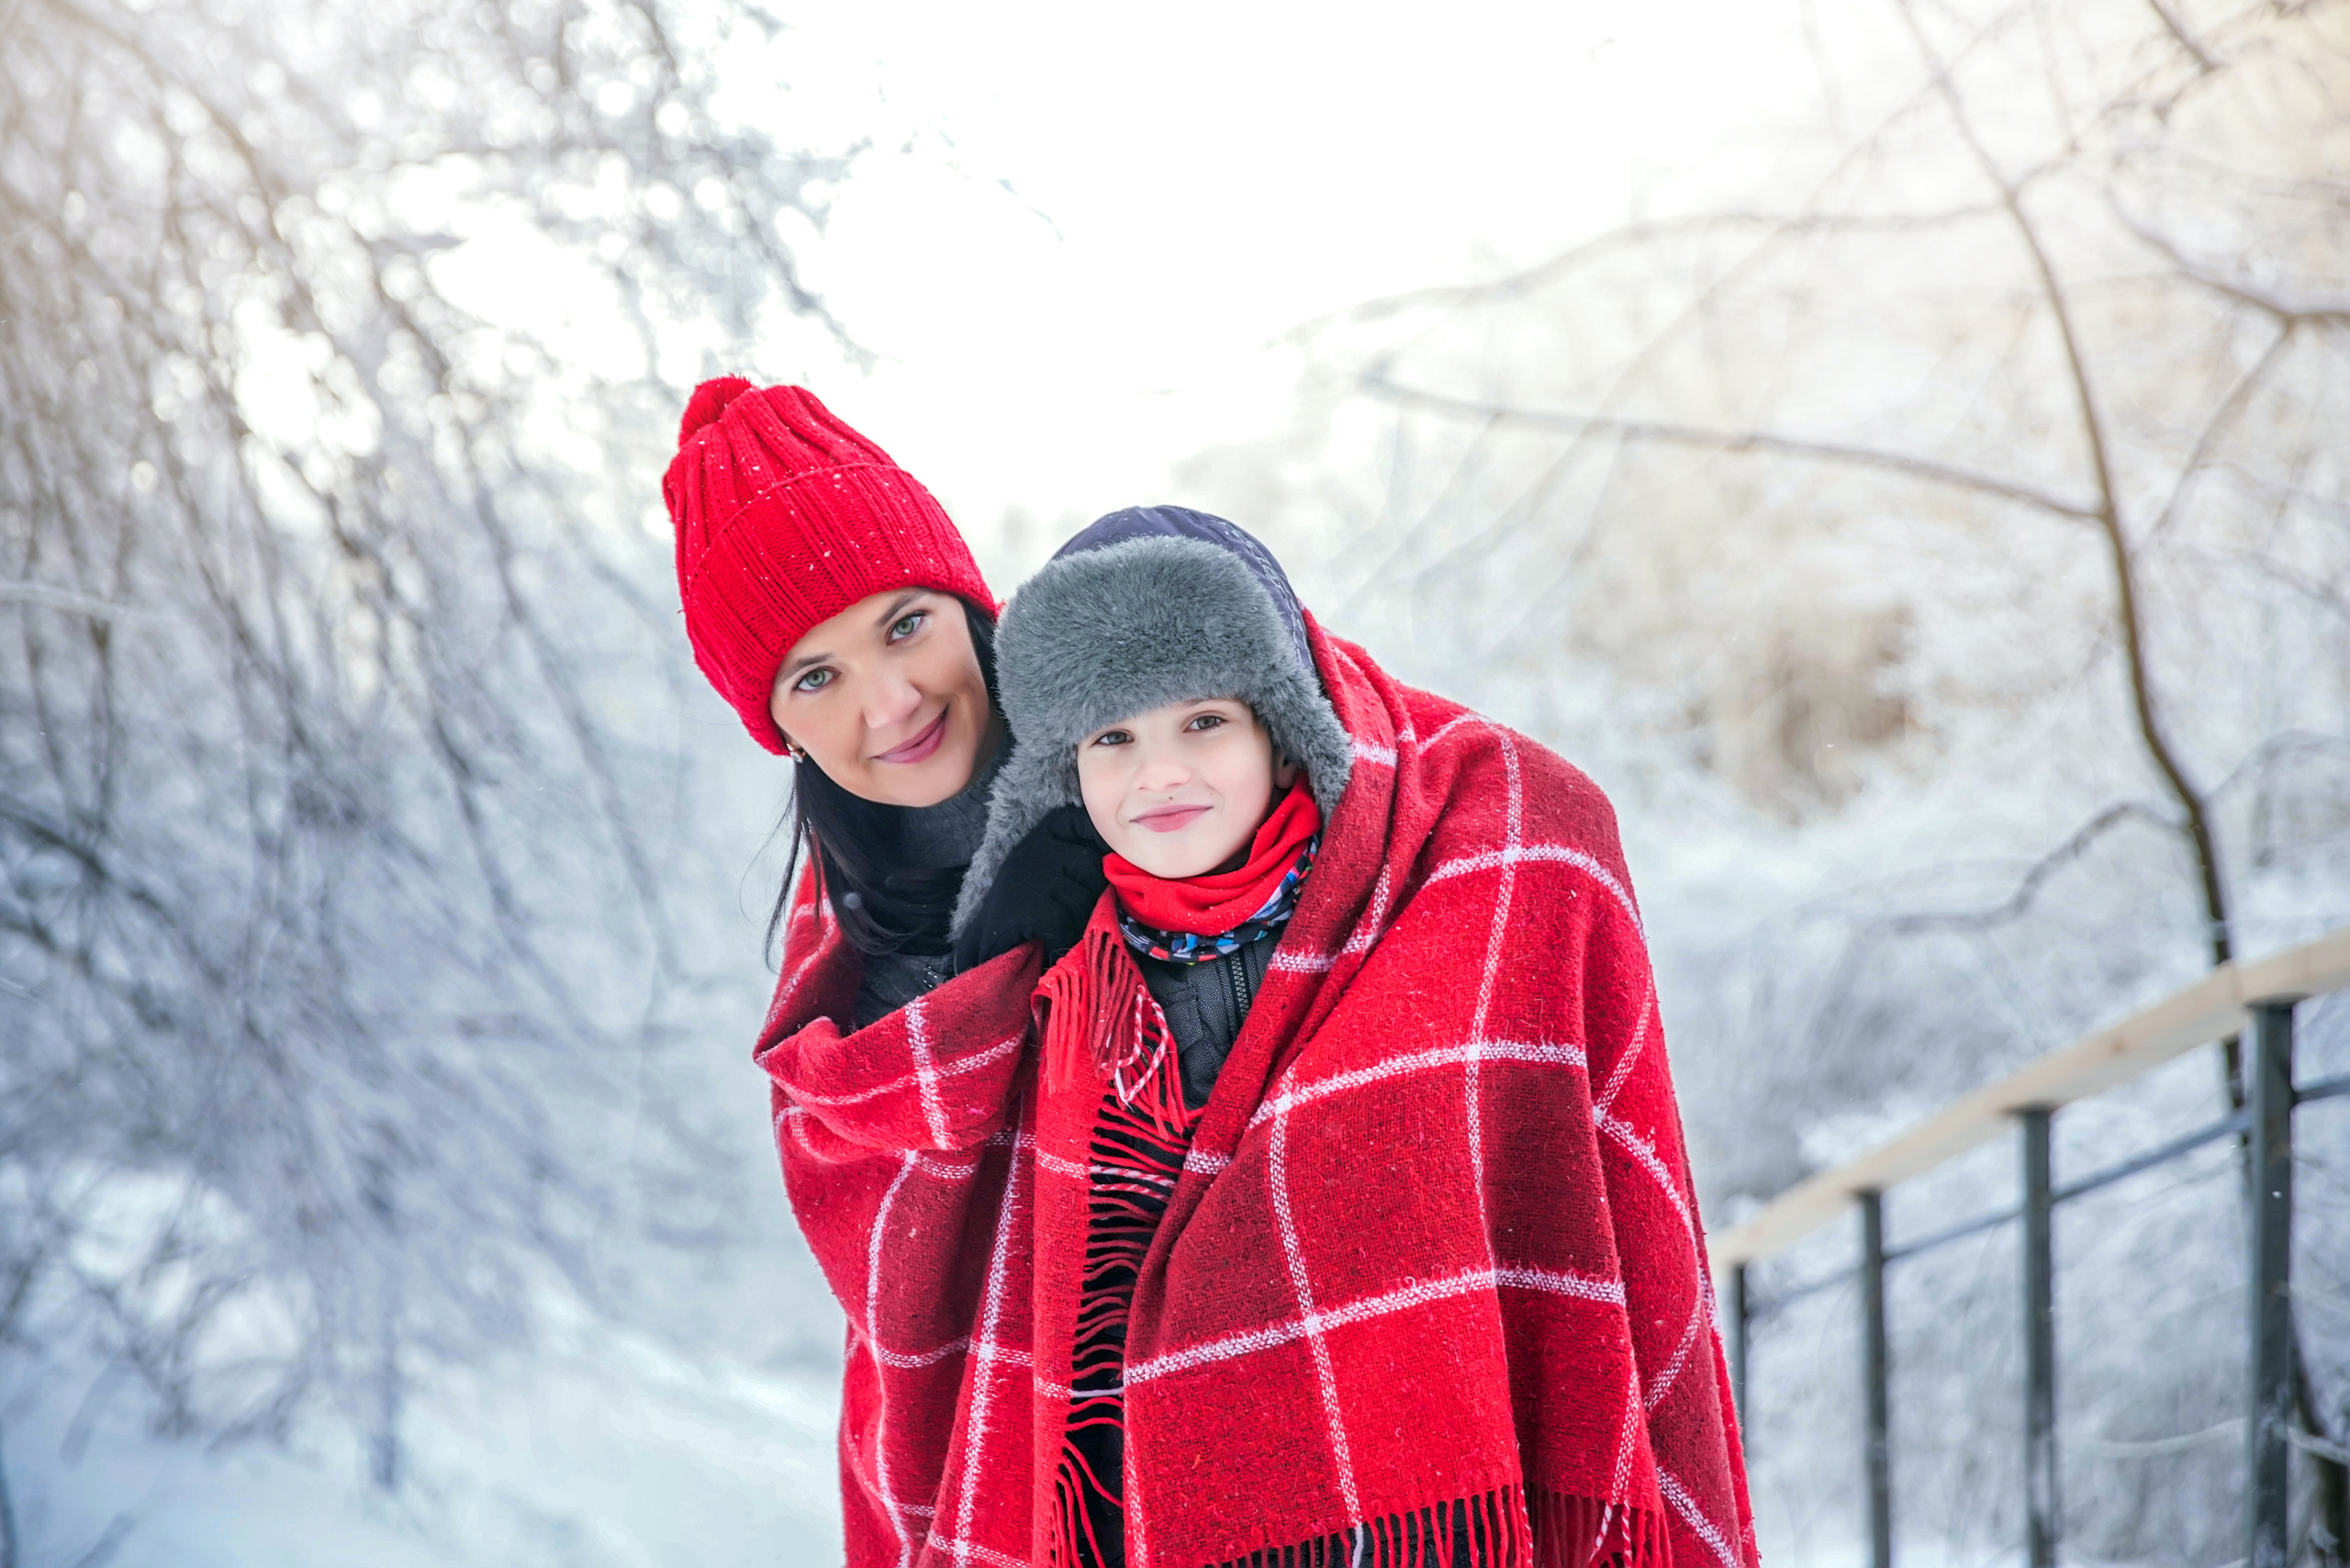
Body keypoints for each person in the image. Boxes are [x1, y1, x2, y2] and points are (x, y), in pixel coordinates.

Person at [786, 504, 1757, 1568]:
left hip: (1438, 1512)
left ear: (1277, 724)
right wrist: (984, 955)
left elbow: (1566, 1214)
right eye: (1113, 738)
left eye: (1202, 721)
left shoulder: (1450, 896)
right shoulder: (1068, 977)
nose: (1160, 773)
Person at [662, 377, 1106, 1557]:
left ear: (969, 604)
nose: (892, 700)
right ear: (780, 728)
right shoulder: (846, 999)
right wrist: (990, 974)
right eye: (817, 677)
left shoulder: (1163, 741)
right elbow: (920, 1296)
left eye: (904, 624)